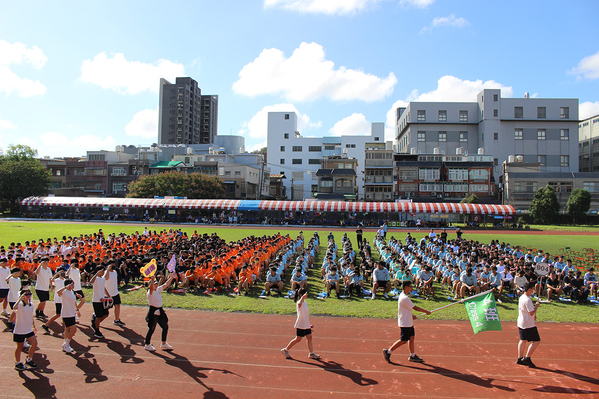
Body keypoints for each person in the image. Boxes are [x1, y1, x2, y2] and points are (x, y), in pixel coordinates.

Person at [383, 280, 431, 363]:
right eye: (410, 286)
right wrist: (426, 311)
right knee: (404, 340)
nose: (412, 288)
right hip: (405, 323)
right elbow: (415, 308)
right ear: (406, 287)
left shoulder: (404, 296)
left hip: (409, 322)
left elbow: (406, 309)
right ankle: (388, 352)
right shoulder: (404, 298)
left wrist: (411, 316)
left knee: (411, 338)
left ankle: (412, 355)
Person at [280, 288, 320, 360]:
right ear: (301, 295)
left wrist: (308, 324)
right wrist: (302, 297)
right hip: (301, 324)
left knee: (309, 337)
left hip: (306, 324)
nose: (307, 295)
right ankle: (285, 350)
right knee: (298, 339)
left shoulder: (305, 302)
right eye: (305, 294)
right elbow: (299, 304)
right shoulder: (299, 302)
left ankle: (311, 353)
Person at [145, 273, 175, 351]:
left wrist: (171, 278)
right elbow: (151, 288)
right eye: (154, 284)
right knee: (151, 329)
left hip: (160, 312)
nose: (156, 285)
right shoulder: (150, 293)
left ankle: (164, 343)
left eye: (156, 284)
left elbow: (165, 285)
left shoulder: (158, 290)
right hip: (153, 313)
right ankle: (147, 344)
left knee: (165, 326)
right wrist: (152, 279)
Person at [9, 289, 38, 371]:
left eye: (30, 294)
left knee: (34, 343)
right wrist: (20, 298)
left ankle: (29, 359)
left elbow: (31, 316)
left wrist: (34, 326)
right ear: (22, 296)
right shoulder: (19, 305)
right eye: (27, 294)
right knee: (20, 347)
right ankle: (17, 363)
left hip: (28, 329)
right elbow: (14, 307)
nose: (29, 296)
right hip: (20, 330)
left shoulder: (31, 305)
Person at [517, 282, 541, 368]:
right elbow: (531, 312)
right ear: (530, 289)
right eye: (533, 289)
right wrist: (536, 307)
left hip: (521, 322)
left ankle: (519, 358)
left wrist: (533, 315)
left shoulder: (522, 297)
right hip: (528, 324)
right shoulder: (527, 299)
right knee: (536, 341)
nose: (533, 291)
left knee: (523, 340)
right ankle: (527, 357)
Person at [56, 278, 80, 353]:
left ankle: (65, 344)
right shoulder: (64, 292)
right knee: (74, 330)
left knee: (67, 329)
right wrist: (65, 287)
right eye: (72, 284)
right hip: (66, 314)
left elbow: (74, 302)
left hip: (72, 313)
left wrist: (77, 310)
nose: (73, 285)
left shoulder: (71, 291)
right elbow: (58, 292)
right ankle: (66, 344)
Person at [90, 266, 109, 339]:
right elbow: (91, 281)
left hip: (102, 300)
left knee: (106, 314)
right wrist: (96, 274)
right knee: (99, 316)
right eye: (102, 271)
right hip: (96, 300)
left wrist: (109, 296)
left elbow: (103, 288)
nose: (103, 272)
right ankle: (97, 331)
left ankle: (94, 323)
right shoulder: (95, 279)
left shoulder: (102, 279)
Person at [105, 262, 125, 326]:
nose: (113, 266)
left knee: (117, 305)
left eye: (114, 264)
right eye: (112, 265)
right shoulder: (106, 272)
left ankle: (117, 320)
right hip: (108, 293)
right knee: (105, 309)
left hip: (115, 292)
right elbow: (106, 278)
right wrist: (108, 269)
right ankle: (95, 316)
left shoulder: (115, 272)